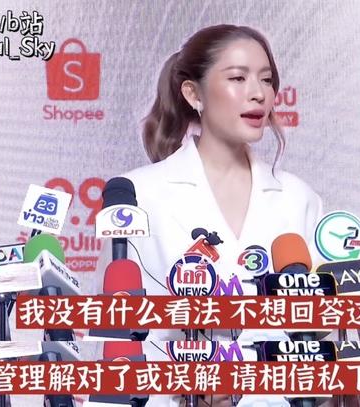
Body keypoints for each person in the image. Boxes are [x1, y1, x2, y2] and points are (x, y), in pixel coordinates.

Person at [96, 24, 331, 406]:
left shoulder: (298, 198)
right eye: (238, 78)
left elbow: (320, 343)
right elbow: (115, 344)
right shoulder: (136, 196)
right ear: (193, 93)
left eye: (267, 80)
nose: (258, 93)